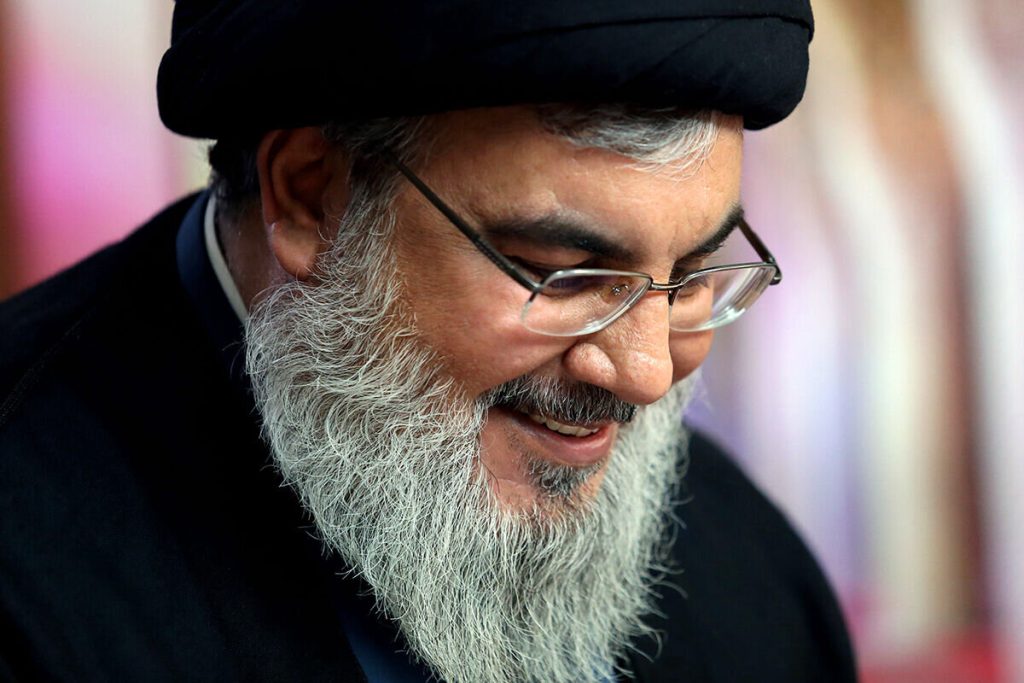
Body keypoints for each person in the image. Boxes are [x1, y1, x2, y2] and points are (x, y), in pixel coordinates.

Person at [0, 1, 857, 681]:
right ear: (310, 195)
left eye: (692, 274)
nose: (645, 370)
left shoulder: (760, 593)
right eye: (563, 273)